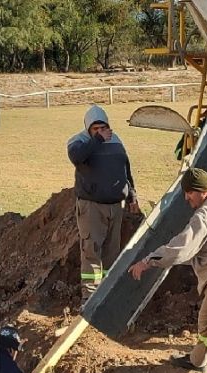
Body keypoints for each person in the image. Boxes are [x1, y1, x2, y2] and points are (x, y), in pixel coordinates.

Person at [128, 168, 207, 373]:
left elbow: (181, 249)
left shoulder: (206, 213)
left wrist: (148, 261)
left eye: (189, 192)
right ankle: (197, 361)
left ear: (201, 191)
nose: (186, 198)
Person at [67, 105, 139, 301]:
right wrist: (98, 140)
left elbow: (126, 172)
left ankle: (107, 295)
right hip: (91, 207)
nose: (100, 132)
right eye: (95, 129)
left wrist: (132, 196)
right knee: (91, 250)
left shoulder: (116, 141)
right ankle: (89, 297)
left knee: (111, 252)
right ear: (88, 128)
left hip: (116, 207)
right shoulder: (78, 141)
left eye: (102, 128)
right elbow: (77, 157)